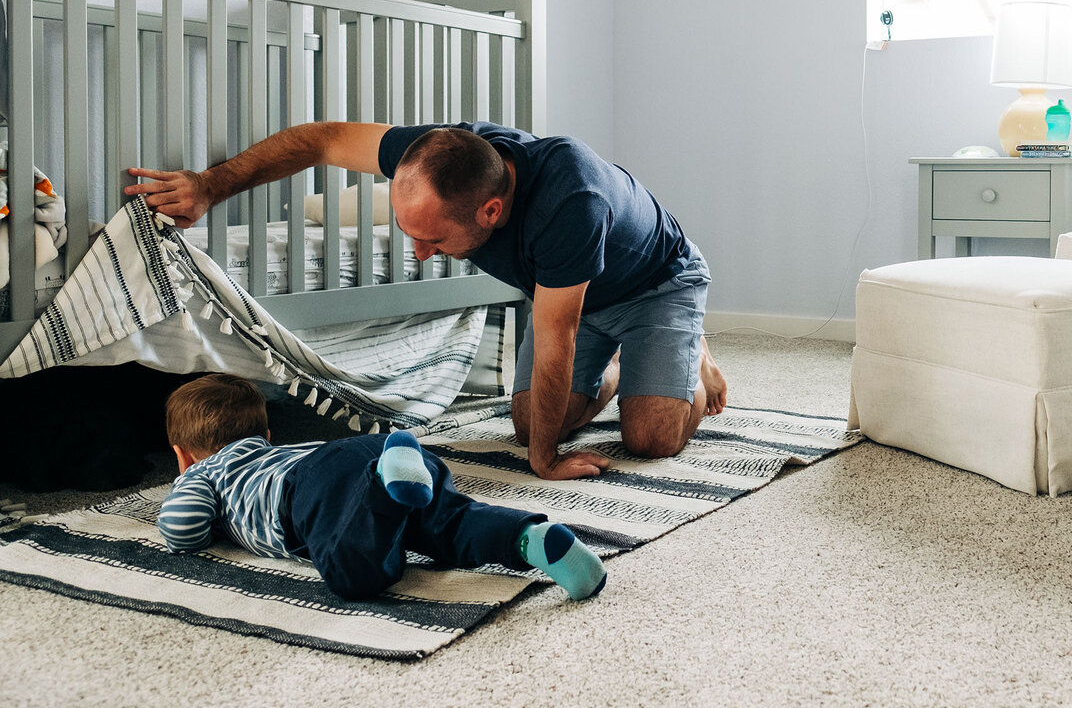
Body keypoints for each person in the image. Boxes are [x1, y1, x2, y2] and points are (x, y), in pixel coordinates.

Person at [126, 120, 728, 481]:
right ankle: (625, 364)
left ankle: (689, 349)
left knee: (650, 439)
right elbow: (321, 139)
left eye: (433, 240)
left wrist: (546, 464)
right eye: (410, 233)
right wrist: (209, 185)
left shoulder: (573, 203)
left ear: (491, 210)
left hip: (656, 285)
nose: (417, 253)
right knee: (529, 425)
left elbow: (555, 338)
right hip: (573, 299)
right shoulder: (435, 154)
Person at [158, 373, 606, 602]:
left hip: (308, 490)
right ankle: (528, 538)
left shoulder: (205, 472)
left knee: (355, 572)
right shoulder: (276, 451)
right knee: (448, 523)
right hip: (353, 452)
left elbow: (182, 528)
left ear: (183, 454)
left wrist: (183, 486)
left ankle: (382, 485)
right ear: (267, 435)